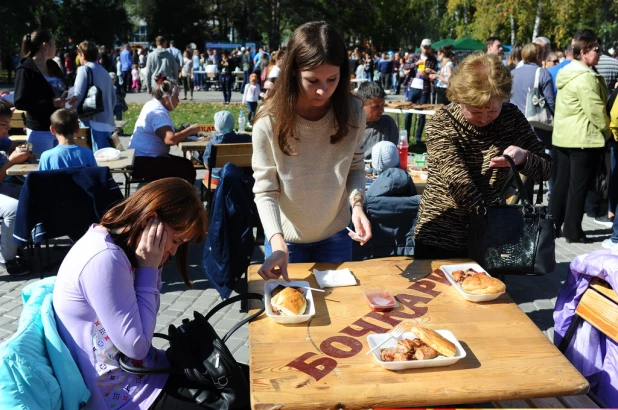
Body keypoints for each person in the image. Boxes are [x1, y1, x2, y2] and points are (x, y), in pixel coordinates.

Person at [52, 178, 209, 409]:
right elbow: (136, 345)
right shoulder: (105, 258)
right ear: (150, 220)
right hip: (122, 396)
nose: (174, 251)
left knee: (240, 380)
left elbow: (142, 332)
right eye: (176, 240)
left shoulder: (114, 245)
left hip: (142, 374)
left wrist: (151, 268)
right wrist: (149, 269)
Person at [252, 21, 372, 280]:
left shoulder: (353, 111)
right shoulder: (268, 121)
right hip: (286, 241)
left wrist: (358, 206)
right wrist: (277, 242)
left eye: (332, 79)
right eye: (312, 80)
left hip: (337, 234)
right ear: (293, 72)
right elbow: (265, 190)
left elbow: (355, 166)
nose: (322, 90)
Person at [413, 53, 552, 259]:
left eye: (493, 109)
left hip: (491, 237)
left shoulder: (511, 117)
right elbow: (460, 185)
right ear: (460, 99)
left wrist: (524, 158)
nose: (485, 118)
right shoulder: (442, 123)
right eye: (476, 110)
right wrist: (499, 220)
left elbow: (546, 170)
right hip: (442, 235)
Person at [549, 30, 609, 243]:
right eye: (596, 49)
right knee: (578, 188)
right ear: (583, 52)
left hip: (564, 137)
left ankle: (552, 226)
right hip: (583, 139)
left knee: (561, 185)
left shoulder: (569, 73)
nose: (600, 53)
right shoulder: (585, 77)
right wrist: (608, 131)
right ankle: (573, 232)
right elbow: (596, 111)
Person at [128, 74, 198, 184]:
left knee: (186, 165)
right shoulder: (158, 112)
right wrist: (191, 130)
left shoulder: (152, 104)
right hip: (144, 161)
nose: (178, 101)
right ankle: (178, 198)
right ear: (166, 98)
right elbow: (169, 140)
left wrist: (180, 130)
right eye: (176, 97)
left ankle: (177, 198)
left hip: (141, 158)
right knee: (186, 168)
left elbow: (167, 134)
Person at [14, 30, 68, 158]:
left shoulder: (52, 65)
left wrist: (68, 97)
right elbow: (20, 102)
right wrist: (51, 103)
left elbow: (61, 88)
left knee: (61, 168)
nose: (56, 48)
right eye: (54, 44)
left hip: (60, 126)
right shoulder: (25, 70)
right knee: (43, 171)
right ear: (45, 45)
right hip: (40, 130)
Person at [0, 100, 32, 276]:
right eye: (3, 125)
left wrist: (22, 151)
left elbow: (11, 145)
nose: (7, 130)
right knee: (13, 208)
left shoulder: (1, 138)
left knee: (30, 194)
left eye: (8, 124)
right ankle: (8, 258)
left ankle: (18, 240)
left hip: (4, 184)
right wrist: (12, 161)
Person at [71, 40, 116, 152]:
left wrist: (68, 111)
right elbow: (113, 98)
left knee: (95, 161)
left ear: (82, 55)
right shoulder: (104, 71)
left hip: (91, 120)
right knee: (105, 161)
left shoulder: (84, 70)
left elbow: (78, 95)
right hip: (107, 121)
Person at [510, 43, 556, 151]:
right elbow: (551, 103)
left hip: (516, 127)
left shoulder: (512, 73)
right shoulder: (543, 74)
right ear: (538, 56)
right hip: (537, 129)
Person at [404, 39, 438, 144]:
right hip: (413, 86)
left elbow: (434, 74)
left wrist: (428, 75)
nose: (426, 49)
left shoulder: (433, 59)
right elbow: (405, 67)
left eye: (428, 47)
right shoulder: (414, 56)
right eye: (424, 47)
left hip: (424, 88)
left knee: (422, 114)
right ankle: (406, 136)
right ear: (421, 46)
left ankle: (418, 137)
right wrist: (415, 64)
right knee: (408, 113)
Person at [202, 110, 252, 179]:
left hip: (218, 177)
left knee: (207, 176)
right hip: (238, 176)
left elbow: (207, 164)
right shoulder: (243, 139)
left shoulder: (211, 144)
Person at [356, 81, 398, 159]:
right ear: (360, 104)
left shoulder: (387, 123)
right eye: (376, 107)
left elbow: (394, 155)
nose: (382, 110)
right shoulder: (349, 126)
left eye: (383, 105)